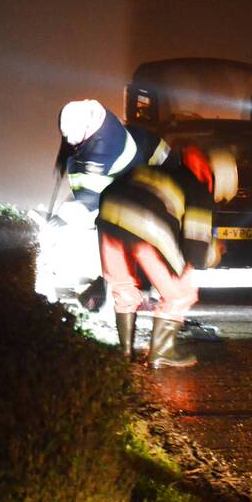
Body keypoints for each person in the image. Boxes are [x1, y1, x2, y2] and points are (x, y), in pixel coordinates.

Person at [97, 142, 228, 367]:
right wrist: (210, 255)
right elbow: (195, 249)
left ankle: (125, 352)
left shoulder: (161, 171)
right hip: (146, 223)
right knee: (181, 292)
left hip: (108, 215)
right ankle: (162, 352)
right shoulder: (199, 190)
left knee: (123, 288)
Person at [53, 99, 171, 308]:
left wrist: (62, 218)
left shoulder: (104, 149)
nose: (71, 142)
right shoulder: (92, 122)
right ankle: (117, 287)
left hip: (135, 197)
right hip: (131, 185)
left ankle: (128, 291)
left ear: (88, 129)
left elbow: (89, 198)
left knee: (119, 240)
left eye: (75, 138)